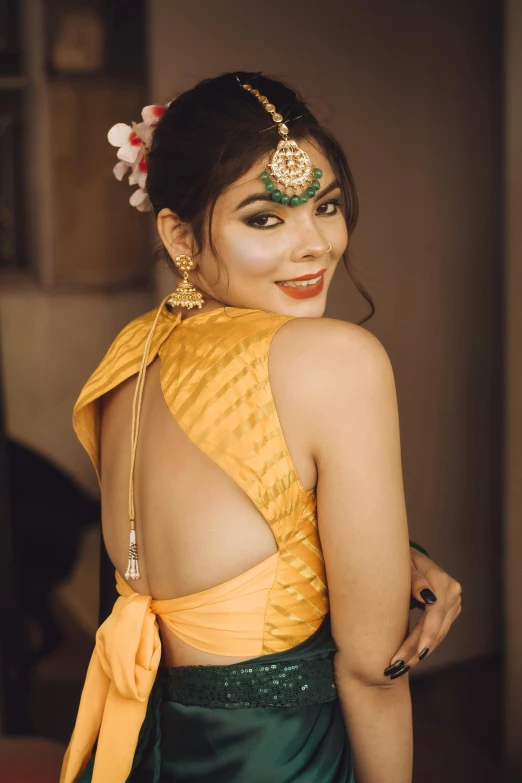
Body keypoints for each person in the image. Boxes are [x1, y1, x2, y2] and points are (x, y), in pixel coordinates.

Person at [60, 72, 462, 783]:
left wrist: (384, 557)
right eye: (265, 218)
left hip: (143, 755)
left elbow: (217, 540)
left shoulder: (133, 352)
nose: (314, 245)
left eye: (326, 204)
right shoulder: (336, 361)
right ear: (181, 235)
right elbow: (373, 670)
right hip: (273, 760)